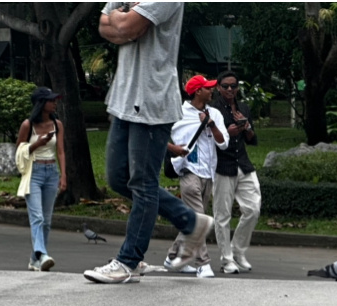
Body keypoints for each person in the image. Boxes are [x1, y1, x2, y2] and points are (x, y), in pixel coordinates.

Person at [85, 1, 214, 285]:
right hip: (123, 97)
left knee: (143, 183)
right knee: (118, 178)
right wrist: (122, 22)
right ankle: (191, 221)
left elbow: (126, 27)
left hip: (152, 99)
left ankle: (129, 260)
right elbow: (105, 26)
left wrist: (123, 22)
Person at [164, 75, 227, 278]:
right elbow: (157, 136)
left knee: (193, 219)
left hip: (208, 173)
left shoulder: (214, 113)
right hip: (188, 170)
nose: (212, 90)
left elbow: (223, 143)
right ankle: (203, 263)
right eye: (208, 88)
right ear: (198, 91)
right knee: (199, 219)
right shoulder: (178, 113)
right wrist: (174, 148)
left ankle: (173, 257)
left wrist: (211, 125)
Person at [211, 71, 262, 274]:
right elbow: (209, 138)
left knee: (253, 209)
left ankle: (238, 250)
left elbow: (252, 139)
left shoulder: (243, 108)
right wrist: (227, 132)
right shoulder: (213, 109)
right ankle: (226, 259)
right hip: (223, 165)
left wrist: (246, 126)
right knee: (222, 215)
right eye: (225, 86)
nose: (230, 89)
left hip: (243, 164)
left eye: (233, 86)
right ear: (218, 88)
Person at [15, 87, 67, 271]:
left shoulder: (57, 124)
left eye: (54, 100)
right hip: (34, 172)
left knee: (47, 220)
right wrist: (38, 143)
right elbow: (19, 150)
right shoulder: (28, 125)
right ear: (41, 103)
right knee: (37, 217)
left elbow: (60, 151)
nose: (54, 103)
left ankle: (34, 259)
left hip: (52, 172)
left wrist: (63, 175)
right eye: (50, 100)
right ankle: (42, 254)